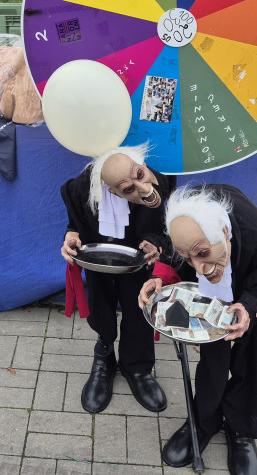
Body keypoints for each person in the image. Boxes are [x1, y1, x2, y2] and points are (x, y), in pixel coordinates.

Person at [138, 185, 257, 475]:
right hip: (207, 296)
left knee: (249, 353)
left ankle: (241, 427)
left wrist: (247, 306)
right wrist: (160, 278)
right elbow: (173, 258)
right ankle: (203, 421)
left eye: (202, 254)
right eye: (190, 259)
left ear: (224, 234)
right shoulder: (182, 224)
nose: (199, 268)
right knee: (212, 355)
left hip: (245, 285)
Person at [60, 144, 172, 414]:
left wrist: (154, 244)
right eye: (128, 189)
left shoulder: (157, 183)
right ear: (112, 191)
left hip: (138, 262)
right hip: (98, 258)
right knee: (100, 305)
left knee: (140, 308)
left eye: (140, 175)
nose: (142, 189)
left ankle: (138, 367)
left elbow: (161, 228)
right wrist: (71, 237)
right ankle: (105, 357)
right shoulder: (79, 190)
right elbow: (75, 225)